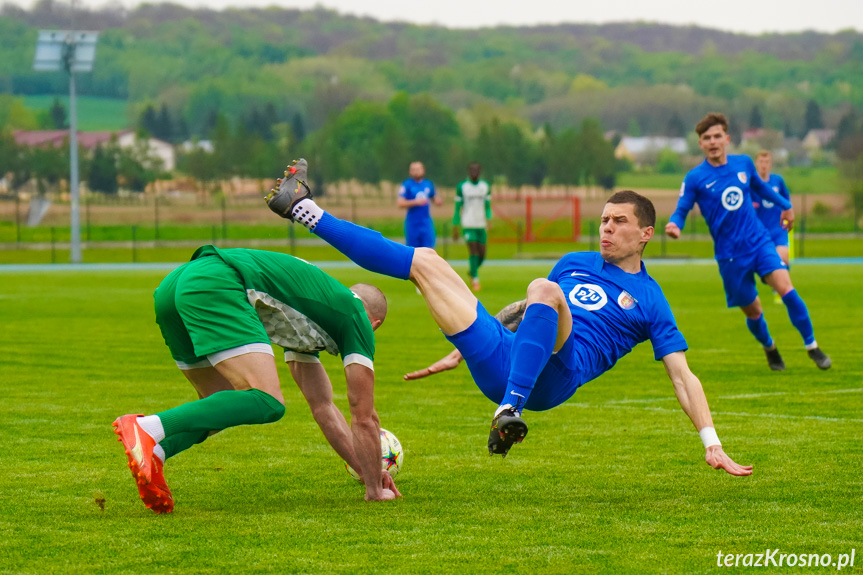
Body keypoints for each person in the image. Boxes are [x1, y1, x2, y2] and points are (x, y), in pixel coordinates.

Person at [266, 160, 752, 476]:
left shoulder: (651, 298)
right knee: (427, 262)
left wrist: (711, 442)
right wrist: (460, 351)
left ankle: (509, 411)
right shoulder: (575, 262)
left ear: (646, 234)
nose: (606, 228)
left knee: (546, 289)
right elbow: (528, 312)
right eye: (603, 220)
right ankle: (303, 208)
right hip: (503, 358)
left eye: (618, 222)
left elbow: (683, 377)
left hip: (552, 381)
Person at [112, 244, 401, 514]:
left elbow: (323, 407)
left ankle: (157, 453)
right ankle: (148, 427)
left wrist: (366, 473)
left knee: (224, 403)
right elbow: (364, 417)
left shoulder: (311, 314)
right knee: (267, 401)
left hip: (175, 285)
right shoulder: (354, 316)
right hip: (216, 282)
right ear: (374, 324)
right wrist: (375, 490)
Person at [665, 113, 830, 372]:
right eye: (706, 138)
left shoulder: (743, 164)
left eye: (717, 136)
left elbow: (762, 189)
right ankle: (770, 347)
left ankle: (813, 347)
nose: (712, 141)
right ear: (700, 144)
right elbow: (682, 208)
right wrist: (676, 224)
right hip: (730, 256)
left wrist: (786, 206)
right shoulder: (695, 178)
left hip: (759, 242)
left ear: (727, 139)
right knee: (753, 311)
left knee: (786, 287)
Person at [452, 162, 492, 292]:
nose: (474, 172)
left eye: (476, 170)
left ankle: (472, 270)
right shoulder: (462, 187)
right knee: (473, 251)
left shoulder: (485, 186)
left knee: (482, 254)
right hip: (468, 223)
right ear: (469, 171)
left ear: (479, 171)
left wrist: (489, 219)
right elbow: (457, 208)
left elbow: (487, 205)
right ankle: (475, 278)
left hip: (481, 224)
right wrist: (455, 225)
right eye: (472, 170)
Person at [752, 150, 792, 268]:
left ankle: (782, 286)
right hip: (759, 231)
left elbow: (787, 202)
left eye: (767, 162)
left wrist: (788, 216)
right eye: (761, 161)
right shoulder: (751, 183)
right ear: (756, 163)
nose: (764, 164)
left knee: (783, 258)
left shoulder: (777, 181)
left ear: (771, 164)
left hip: (777, 229)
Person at [397, 161, 441, 248]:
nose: (416, 171)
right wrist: (416, 202)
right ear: (410, 172)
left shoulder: (428, 184)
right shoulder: (407, 184)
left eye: (418, 169)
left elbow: (435, 198)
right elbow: (400, 203)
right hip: (412, 223)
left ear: (423, 170)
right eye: (413, 169)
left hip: (426, 223)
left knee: (429, 249)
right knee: (414, 251)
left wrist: (438, 200)